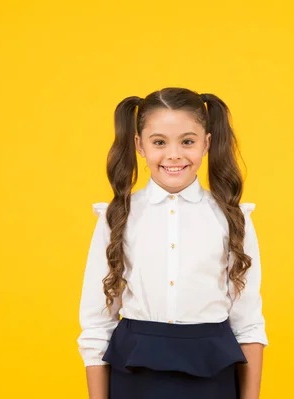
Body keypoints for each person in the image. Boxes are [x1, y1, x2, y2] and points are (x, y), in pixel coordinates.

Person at [77, 87, 268, 399]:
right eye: (159, 142)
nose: (174, 154)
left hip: (212, 375)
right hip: (134, 375)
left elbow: (248, 325)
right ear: (139, 145)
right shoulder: (116, 217)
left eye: (188, 141)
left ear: (207, 143)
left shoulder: (233, 219)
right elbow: (97, 325)